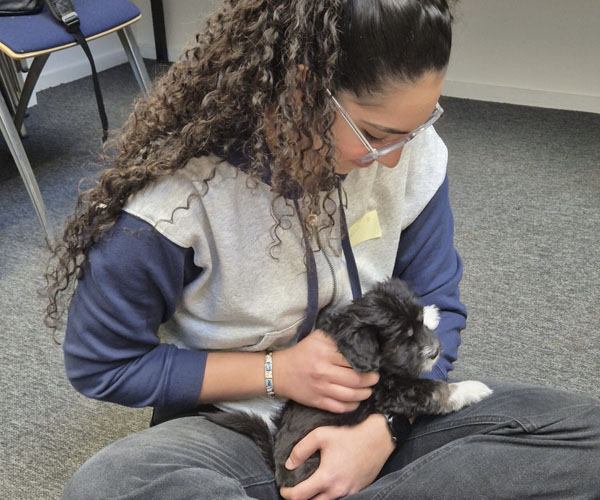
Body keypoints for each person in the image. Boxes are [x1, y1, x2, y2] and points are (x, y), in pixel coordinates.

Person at [45, 1, 600, 499]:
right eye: (375, 136)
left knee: (588, 436)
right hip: (243, 425)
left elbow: (438, 304)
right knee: (109, 486)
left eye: (413, 131)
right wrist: (277, 372)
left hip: (384, 406)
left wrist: (382, 431)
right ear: (300, 89)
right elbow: (105, 365)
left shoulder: (412, 149)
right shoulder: (173, 202)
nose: (392, 159)